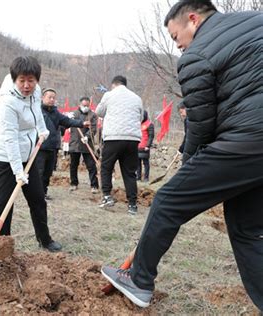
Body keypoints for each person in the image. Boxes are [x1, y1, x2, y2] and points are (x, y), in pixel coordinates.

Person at [101, 0, 263, 310]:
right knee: (247, 228)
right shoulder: (256, 21)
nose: (178, 48)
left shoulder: (197, 55)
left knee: (168, 200)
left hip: (249, 139)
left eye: (177, 38)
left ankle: (139, 280)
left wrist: (189, 167)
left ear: (193, 20)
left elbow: (201, 125)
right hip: (254, 147)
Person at [0, 56, 61, 252]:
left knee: (37, 198)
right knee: (4, 203)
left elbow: (36, 111)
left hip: (28, 154)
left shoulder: (36, 92)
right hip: (3, 157)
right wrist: (18, 171)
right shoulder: (7, 103)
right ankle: (1, 245)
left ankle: (45, 239)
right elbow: (9, 138)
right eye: (22, 80)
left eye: (31, 80)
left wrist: (41, 128)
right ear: (14, 79)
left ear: (37, 79)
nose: (27, 85)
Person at [96, 75, 143, 215]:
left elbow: (99, 112)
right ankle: (133, 205)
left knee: (106, 167)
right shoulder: (137, 98)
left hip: (113, 137)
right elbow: (140, 117)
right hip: (132, 139)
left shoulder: (109, 95)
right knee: (129, 173)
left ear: (113, 85)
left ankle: (107, 196)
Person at [37, 88, 88, 199]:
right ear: (43, 98)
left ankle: (43, 193)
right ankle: (37, 194)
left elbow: (67, 121)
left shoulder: (56, 112)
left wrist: (81, 123)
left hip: (52, 147)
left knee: (48, 173)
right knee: (39, 172)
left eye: (53, 98)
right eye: (49, 97)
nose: (51, 99)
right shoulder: (37, 111)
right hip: (40, 147)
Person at [68, 97, 99, 194]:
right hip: (75, 143)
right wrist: (68, 119)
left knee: (91, 166)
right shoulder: (74, 114)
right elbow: (66, 124)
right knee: (73, 165)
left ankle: (94, 185)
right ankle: (74, 183)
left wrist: (87, 136)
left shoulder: (92, 115)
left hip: (87, 144)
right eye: (84, 105)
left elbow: (93, 128)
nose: (85, 107)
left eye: (87, 105)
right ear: (80, 105)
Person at [136, 110, 154, 182]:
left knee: (145, 163)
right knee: (137, 163)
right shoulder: (137, 124)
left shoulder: (149, 124)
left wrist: (148, 145)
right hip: (137, 146)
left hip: (145, 147)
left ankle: (146, 178)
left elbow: (151, 136)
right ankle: (138, 177)